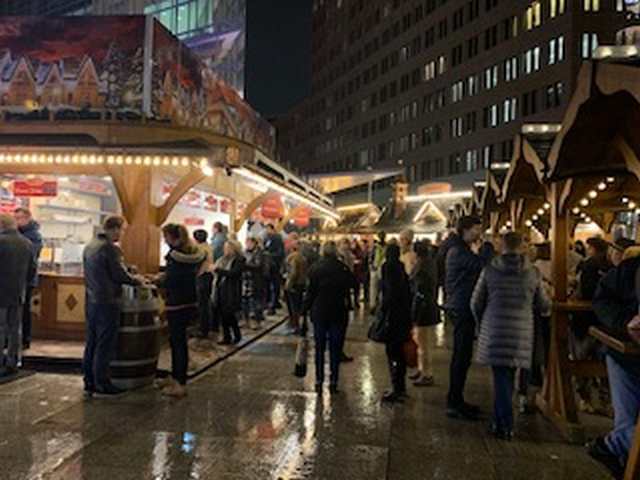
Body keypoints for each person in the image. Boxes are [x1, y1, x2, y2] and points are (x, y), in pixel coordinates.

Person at [471, 232, 550, 439]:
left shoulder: (489, 270)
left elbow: (475, 302)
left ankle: (504, 424)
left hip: (495, 329)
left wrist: (481, 324)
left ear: (501, 246)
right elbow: (543, 305)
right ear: (522, 246)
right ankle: (501, 421)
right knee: (508, 377)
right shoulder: (532, 273)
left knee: (501, 377)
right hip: (521, 332)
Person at [590, 253, 640, 478]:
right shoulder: (631, 269)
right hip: (626, 358)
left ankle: (610, 447)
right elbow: (602, 300)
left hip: (627, 356)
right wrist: (625, 321)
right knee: (629, 423)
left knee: (629, 427)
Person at [82, 216, 141, 397]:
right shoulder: (109, 248)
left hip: (91, 299)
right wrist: (136, 280)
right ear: (114, 229)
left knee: (91, 341)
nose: (122, 235)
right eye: (122, 230)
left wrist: (126, 269)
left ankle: (89, 380)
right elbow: (117, 275)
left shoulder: (90, 245)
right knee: (105, 343)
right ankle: (102, 382)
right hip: (107, 300)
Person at [444, 215, 490, 420]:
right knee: (461, 356)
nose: (479, 233)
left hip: (462, 305)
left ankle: (457, 399)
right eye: (476, 229)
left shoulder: (459, 249)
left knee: (463, 356)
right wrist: (487, 247)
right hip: (461, 307)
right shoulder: (458, 251)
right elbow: (482, 265)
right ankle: (454, 401)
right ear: (466, 230)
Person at [153, 224, 204, 398]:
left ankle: (179, 383)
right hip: (189, 301)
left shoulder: (175, 257)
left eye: (166, 237)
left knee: (177, 343)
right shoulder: (191, 254)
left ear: (173, 238)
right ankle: (175, 377)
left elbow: (173, 279)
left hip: (177, 303)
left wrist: (159, 281)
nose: (165, 240)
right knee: (179, 341)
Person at [304, 241, 356, 394]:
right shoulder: (342, 268)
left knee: (319, 348)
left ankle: (319, 380)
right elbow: (353, 283)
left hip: (319, 311)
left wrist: (303, 311)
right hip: (339, 312)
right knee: (335, 348)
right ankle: (334, 381)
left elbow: (310, 293)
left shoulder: (315, 268)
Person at [0, 214, 33, 377]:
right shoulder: (27, 243)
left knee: (0, 328)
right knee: (15, 329)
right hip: (19, 292)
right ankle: (13, 361)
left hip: (1, 292)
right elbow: (32, 270)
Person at [381, 243, 413, 403]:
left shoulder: (388, 268)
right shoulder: (401, 268)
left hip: (392, 317)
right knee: (400, 354)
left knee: (392, 352)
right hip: (403, 316)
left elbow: (389, 293)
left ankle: (396, 388)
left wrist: (381, 310)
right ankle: (401, 387)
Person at [409, 240, 440, 387]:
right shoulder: (430, 263)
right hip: (429, 307)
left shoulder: (421, 267)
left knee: (423, 344)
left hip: (423, 308)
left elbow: (417, 287)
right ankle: (422, 370)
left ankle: (427, 373)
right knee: (423, 342)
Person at [14, 207, 42, 350]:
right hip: (14, 279)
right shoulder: (16, 233)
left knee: (24, 311)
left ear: (28, 218)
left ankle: (25, 339)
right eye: (16, 218)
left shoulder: (34, 235)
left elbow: (31, 257)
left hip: (27, 279)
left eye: (20, 218)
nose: (18, 221)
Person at [212, 240, 245, 345]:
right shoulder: (223, 260)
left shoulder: (239, 260)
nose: (225, 250)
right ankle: (227, 337)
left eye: (227, 248)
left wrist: (218, 270)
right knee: (223, 314)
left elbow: (234, 273)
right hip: (222, 289)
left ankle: (236, 334)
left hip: (231, 290)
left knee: (229, 314)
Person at [193, 229, 215, 342]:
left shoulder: (199, 249)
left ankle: (203, 329)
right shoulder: (208, 246)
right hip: (208, 276)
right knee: (206, 303)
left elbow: (197, 262)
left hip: (203, 276)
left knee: (202, 304)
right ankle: (207, 327)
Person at [242, 236, 266, 329]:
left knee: (255, 302)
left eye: (249, 243)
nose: (247, 245)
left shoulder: (259, 253)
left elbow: (258, 265)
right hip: (246, 280)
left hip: (256, 280)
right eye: (246, 243)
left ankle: (256, 321)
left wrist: (245, 265)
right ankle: (246, 320)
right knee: (245, 301)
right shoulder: (245, 252)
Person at [285, 243, 307, 333]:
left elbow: (293, 273)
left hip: (294, 284)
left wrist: (288, 285)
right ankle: (301, 324)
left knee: (293, 306)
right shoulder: (303, 258)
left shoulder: (293, 258)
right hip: (301, 283)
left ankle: (295, 325)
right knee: (299, 305)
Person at [264, 224, 285, 314]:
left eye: (267, 229)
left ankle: (273, 304)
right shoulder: (267, 238)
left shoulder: (277, 238)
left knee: (274, 285)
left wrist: (269, 255)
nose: (266, 231)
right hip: (268, 266)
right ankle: (271, 303)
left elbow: (280, 253)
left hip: (274, 265)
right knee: (269, 286)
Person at [369, 232, 387, 312]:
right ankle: (373, 305)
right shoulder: (375, 247)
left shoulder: (385, 246)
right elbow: (370, 257)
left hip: (382, 268)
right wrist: (371, 266)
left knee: (380, 287)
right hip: (375, 268)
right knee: (374, 287)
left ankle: (379, 304)